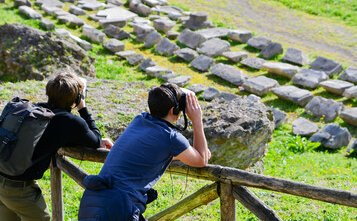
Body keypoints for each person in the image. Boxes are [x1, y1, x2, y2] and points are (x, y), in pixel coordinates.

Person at [78, 83, 210, 221]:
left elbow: (149, 153)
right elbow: (201, 160)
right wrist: (197, 120)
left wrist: (182, 155)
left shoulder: (139, 120)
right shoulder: (171, 137)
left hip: (94, 203)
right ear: (174, 110)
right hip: (119, 209)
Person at [0, 72, 113, 221]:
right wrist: (82, 107)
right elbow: (95, 139)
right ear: (77, 97)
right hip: (19, 190)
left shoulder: (38, 111)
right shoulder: (69, 122)